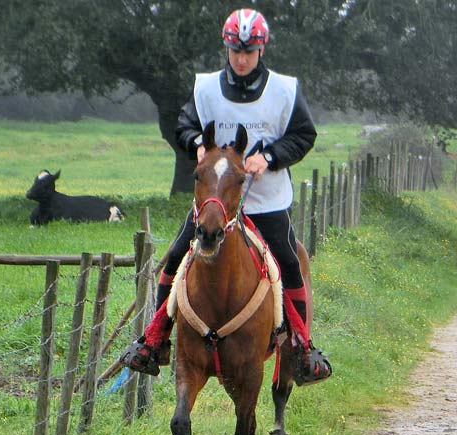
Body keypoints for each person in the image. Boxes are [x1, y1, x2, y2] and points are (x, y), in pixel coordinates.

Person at [121, 7, 332, 386]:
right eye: (235, 50)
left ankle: (301, 347)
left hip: (266, 201)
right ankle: (155, 340)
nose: (241, 58)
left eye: (249, 51)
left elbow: (304, 135)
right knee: (174, 258)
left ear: (261, 50)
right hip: (214, 204)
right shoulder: (204, 87)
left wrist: (269, 157)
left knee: (287, 262)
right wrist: (197, 143)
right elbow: (184, 124)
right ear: (227, 47)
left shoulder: (285, 90)